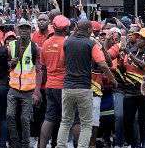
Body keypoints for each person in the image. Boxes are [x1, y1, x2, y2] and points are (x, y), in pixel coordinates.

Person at [56, 19, 114, 148]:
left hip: (68, 88)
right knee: (86, 123)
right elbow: (103, 65)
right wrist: (113, 80)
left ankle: (60, 146)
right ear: (89, 30)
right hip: (84, 88)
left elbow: (61, 62)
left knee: (65, 121)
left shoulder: (67, 42)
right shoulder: (91, 43)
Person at [37, 15, 70, 148]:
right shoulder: (67, 44)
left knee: (49, 118)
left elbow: (43, 66)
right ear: (66, 29)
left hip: (49, 85)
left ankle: (41, 146)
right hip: (63, 85)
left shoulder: (46, 43)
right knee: (66, 119)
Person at [8, 19, 41, 148]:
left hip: (28, 91)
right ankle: (14, 143)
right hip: (13, 88)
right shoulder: (11, 46)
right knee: (10, 115)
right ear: (17, 30)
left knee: (25, 119)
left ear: (30, 30)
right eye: (21, 28)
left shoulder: (34, 47)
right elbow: (5, 66)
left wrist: (37, 92)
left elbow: (39, 70)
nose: (24, 30)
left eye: (26, 28)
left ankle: (25, 144)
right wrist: (11, 63)